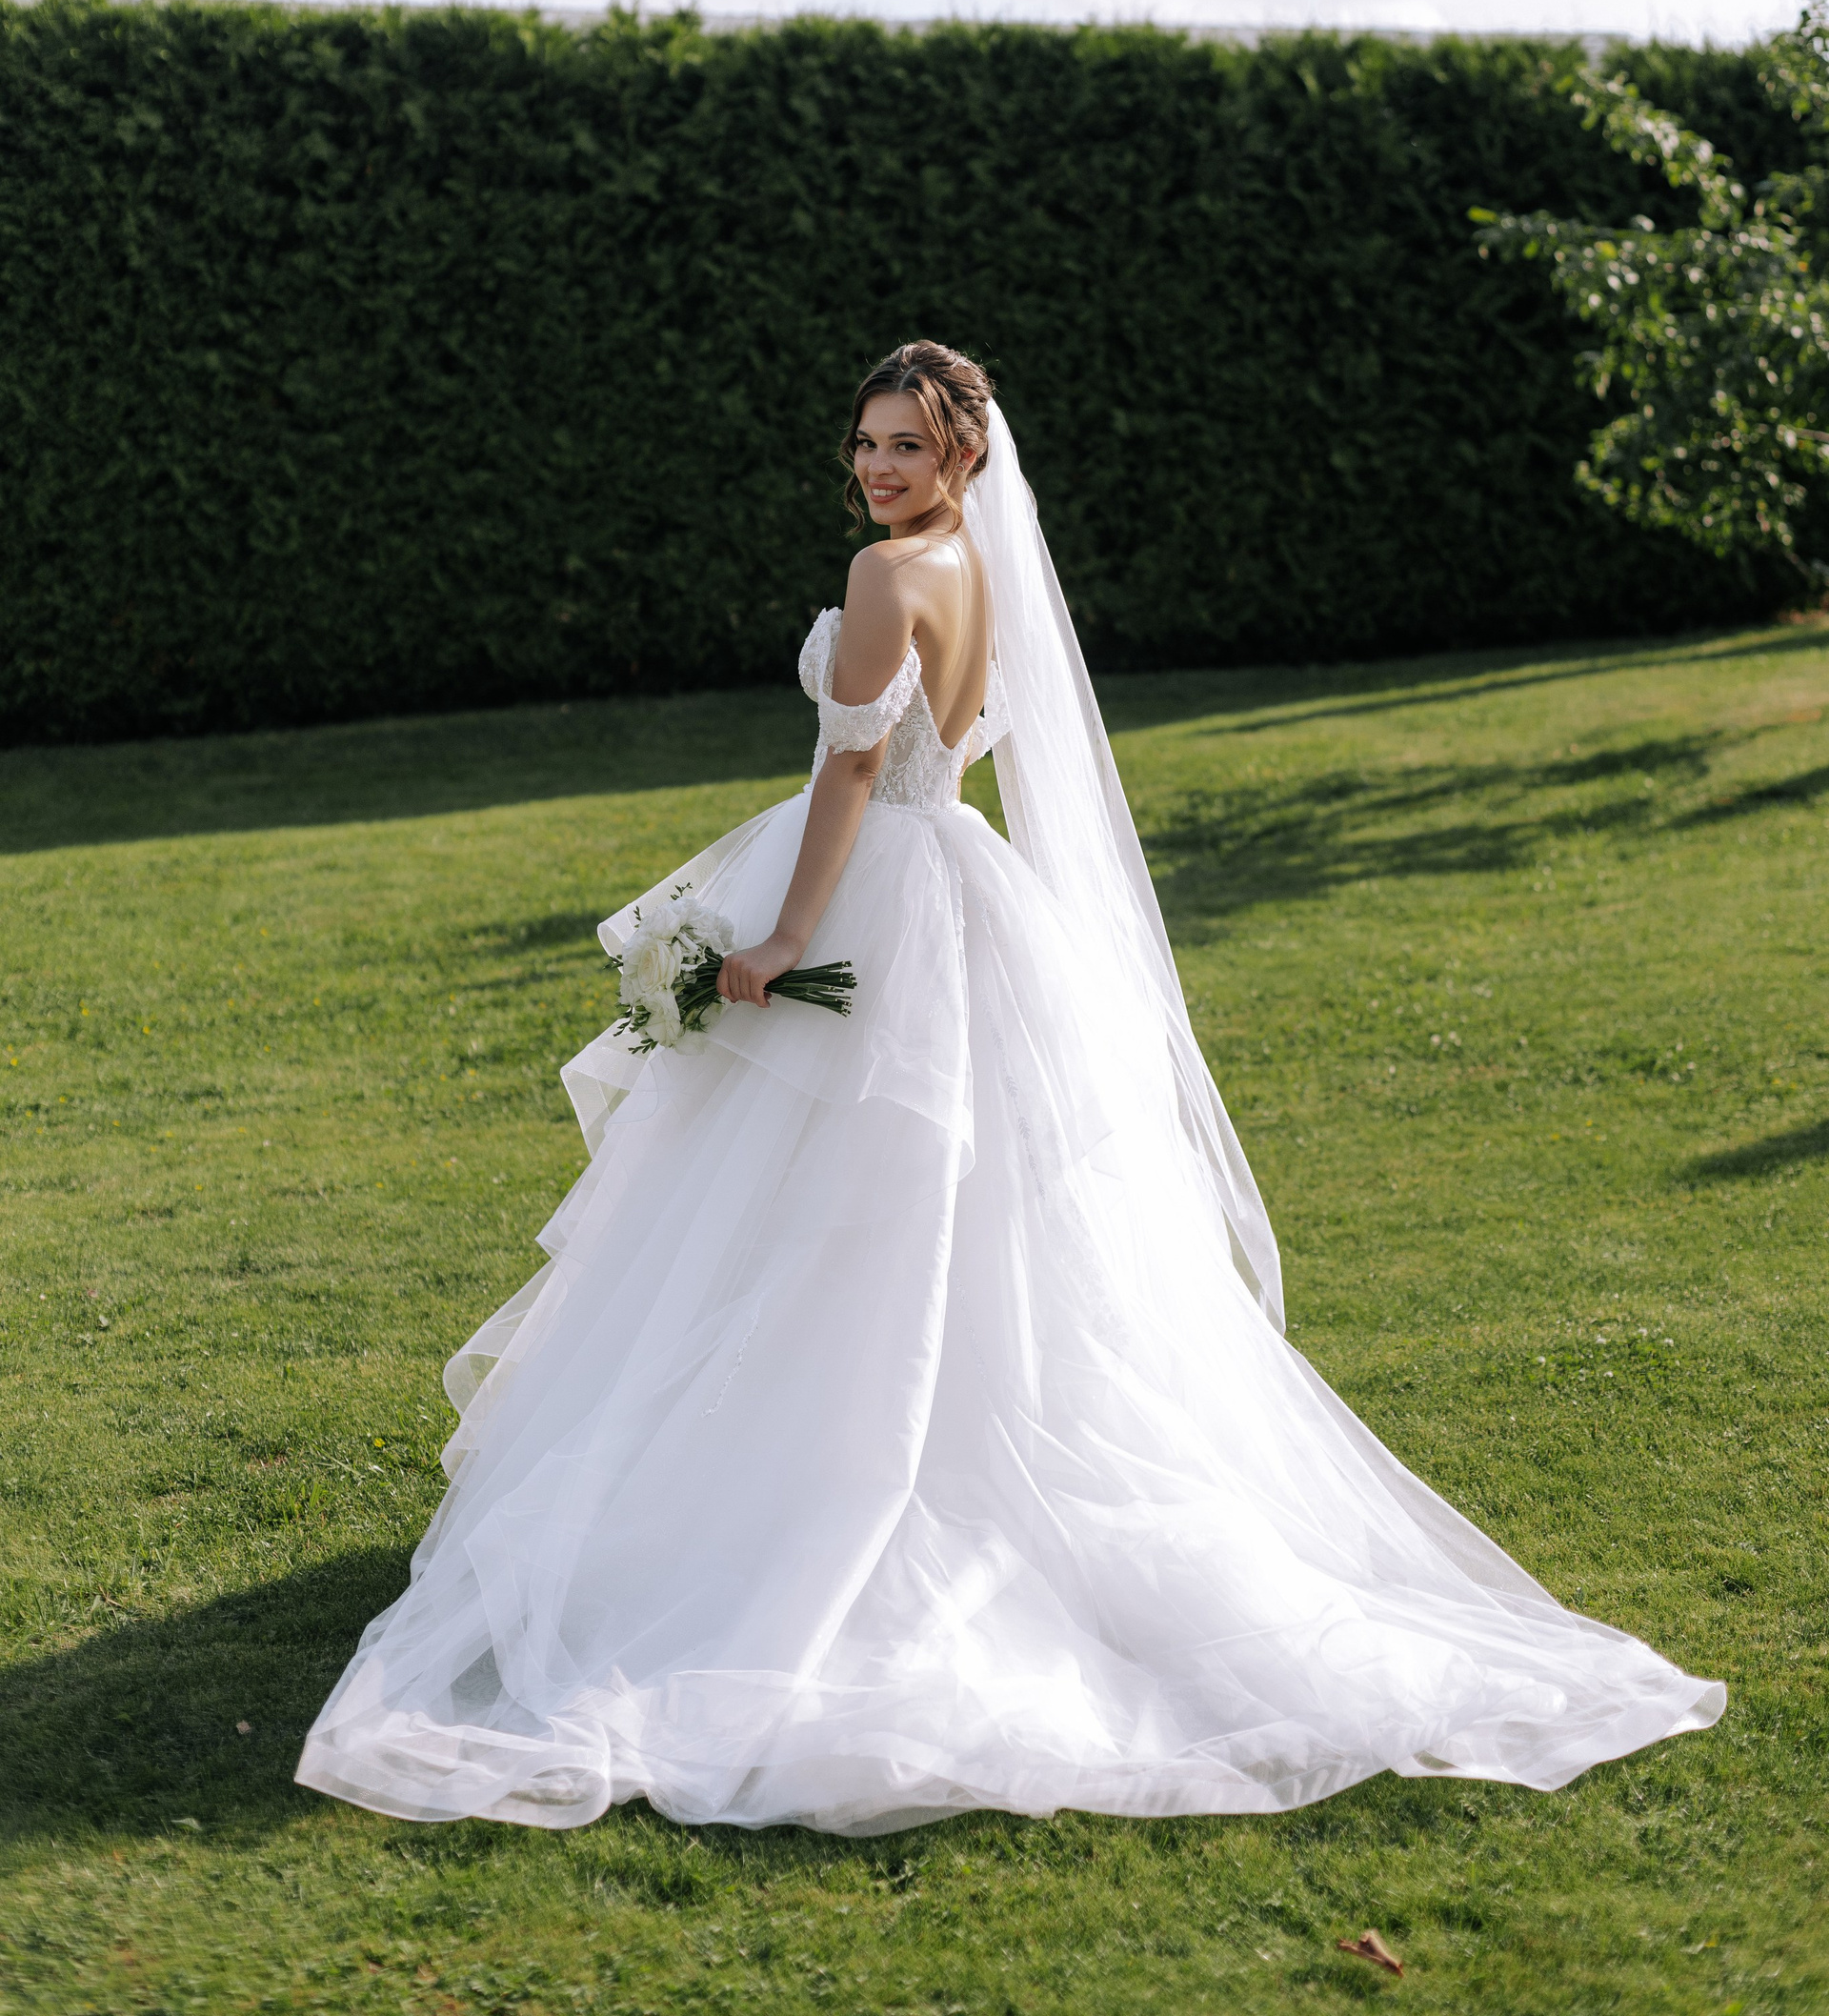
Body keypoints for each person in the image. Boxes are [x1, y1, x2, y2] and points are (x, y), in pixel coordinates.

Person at [297, 340, 1722, 1834]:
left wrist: (782, 937)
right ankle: (916, 1464)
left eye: (907, 446)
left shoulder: (886, 574)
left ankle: (809, 1501)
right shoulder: (988, 570)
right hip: (963, 893)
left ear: (963, 455)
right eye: (866, 442)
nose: (877, 468)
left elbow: (854, 774)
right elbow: (957, 746)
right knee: (945, 1209)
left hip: (874, 895)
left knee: (827, 1204)